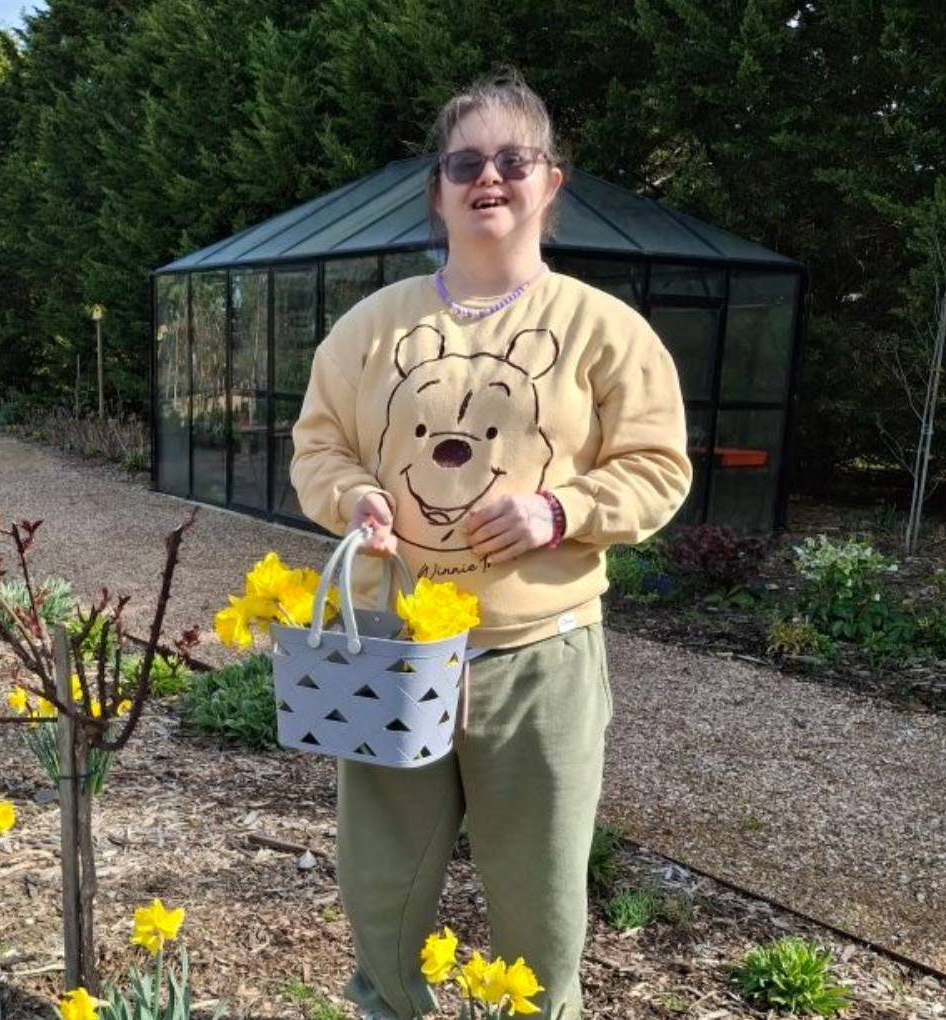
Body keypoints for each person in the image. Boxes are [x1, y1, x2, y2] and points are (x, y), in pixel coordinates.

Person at [290, 72, 691, 1020]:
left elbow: (658, 468)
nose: (489, 180)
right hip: (396, 653)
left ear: (551, 183)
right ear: (437, 188)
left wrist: (561, 511)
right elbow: (318, 448)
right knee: (381, 885)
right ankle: (388, 1009)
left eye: (513, 161)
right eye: (465, 162)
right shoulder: (369, 330)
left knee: (540, 899)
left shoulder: (603, 330)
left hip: (540, 655)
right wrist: (352, 498)